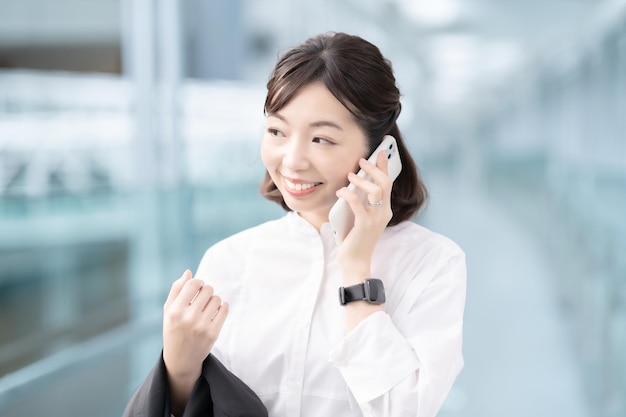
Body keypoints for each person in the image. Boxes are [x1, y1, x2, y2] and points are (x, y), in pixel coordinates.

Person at [160, 32, 466, 417]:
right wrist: (180, 368)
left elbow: (402, 409)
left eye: (321, 139)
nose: (292, 161)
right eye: (277, 132)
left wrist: (356, 270)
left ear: (379, 152)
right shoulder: (229, 261)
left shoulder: (432, 263)